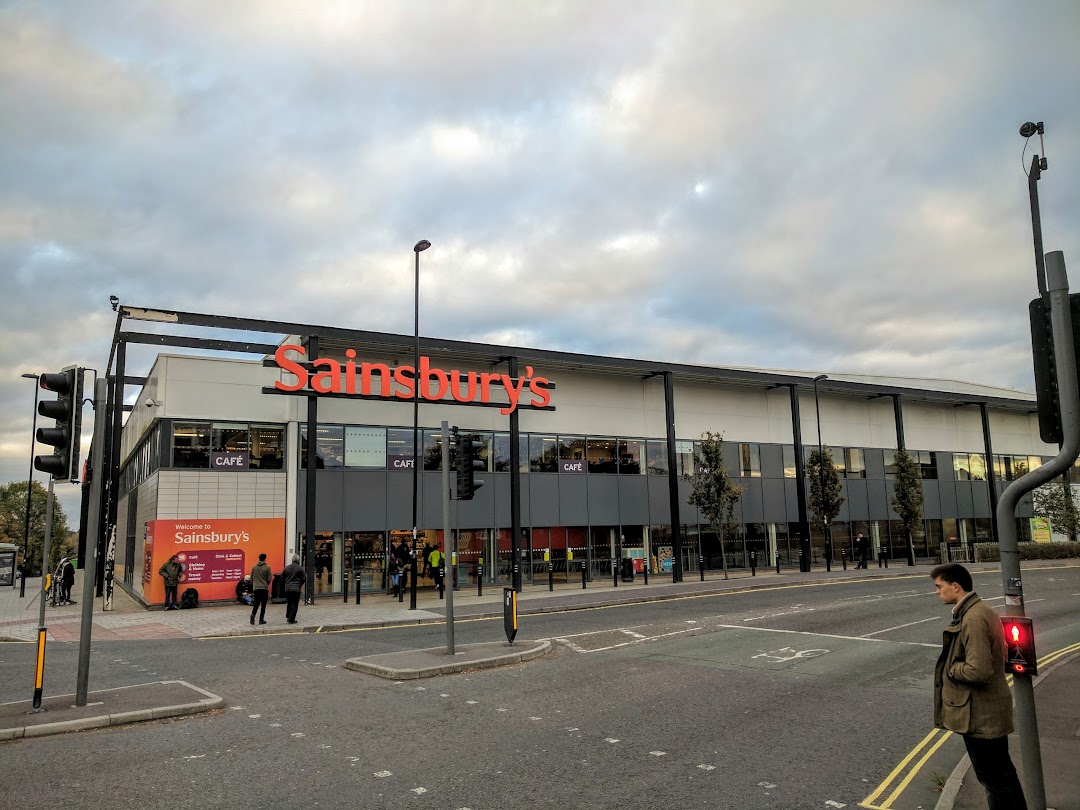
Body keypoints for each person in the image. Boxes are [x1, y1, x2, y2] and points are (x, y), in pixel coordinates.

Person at [931, 563, 1027, 809]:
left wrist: (952, 668)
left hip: (981, 714)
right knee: (1001, 778)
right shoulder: (979, 610)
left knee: (995, 780)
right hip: (985, 712)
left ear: (955, 586)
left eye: (939, 587)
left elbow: (979, 670)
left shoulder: (973, 618)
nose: (937, 592)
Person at [282, 554, 307, 624]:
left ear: (292, 560)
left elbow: (282, 577)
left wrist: (286, 583)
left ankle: (288, 615)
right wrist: (299, 585)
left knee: (289, 602)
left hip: (288, 588)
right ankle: (291, 619)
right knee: (295, 604)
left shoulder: (286, 568)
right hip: (296, 588)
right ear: (298, 560)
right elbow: (304, 578)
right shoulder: (300, 568)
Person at [249, 553, 272, 625]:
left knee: (256, 604)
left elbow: (251, 579)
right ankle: (261, 619)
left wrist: (255, 585)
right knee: (263, 605)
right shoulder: (267, 568)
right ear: (265, 559)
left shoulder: (254, 567)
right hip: (264, 588)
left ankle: (252, 617)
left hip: (256, 588)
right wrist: (266, 584)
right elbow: (269, 578)